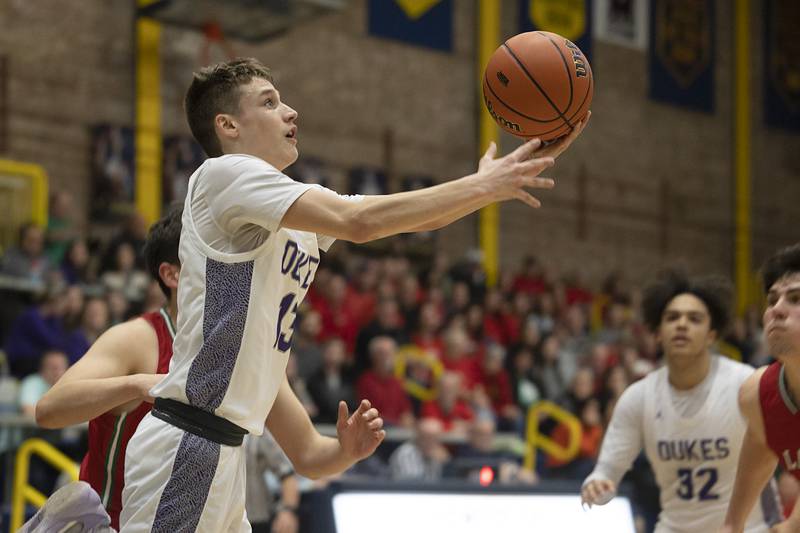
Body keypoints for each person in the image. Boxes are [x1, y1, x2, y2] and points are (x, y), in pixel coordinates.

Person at [121, 57, 587, 532]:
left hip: (223, 457)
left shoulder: (289, 228)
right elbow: (361, 223)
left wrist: (345, 451)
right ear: (228, 126)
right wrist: (482, 184)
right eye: (269, 102)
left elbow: (307, 455)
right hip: (186, 445)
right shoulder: (224, 174)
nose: (290, 112)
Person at [581, 271, 780, 532]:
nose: (682, 324)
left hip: (750, 528)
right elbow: (606, 472)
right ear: (657, 333)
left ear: (711, 334)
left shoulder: (745, 384)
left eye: (694, 318)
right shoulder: (639, 397)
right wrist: (597, 485)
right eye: (672, 317)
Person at [35, 207, 182, 530]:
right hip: (115, 524)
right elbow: (49, 409)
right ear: (172, 275)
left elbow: (307, 453)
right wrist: (136, 385)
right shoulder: (137, 338)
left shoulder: (230, 347)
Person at [721, 244, 800, 533]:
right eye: (772, 299)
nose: (777, 309)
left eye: (796, 298)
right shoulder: (757, 395)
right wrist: (732, 524)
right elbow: (762, 439)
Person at [244, 430, 301, 533]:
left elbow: (287, 473)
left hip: (256, 518)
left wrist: (288, 511)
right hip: (218, 514)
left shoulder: (258, 432)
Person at [18, 349, 68, 418]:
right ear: (43, 369)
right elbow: (28, 411)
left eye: (61, 368)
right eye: (53, 368)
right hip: (33, 427)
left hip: (66, 427)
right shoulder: (32, 382)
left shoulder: (70, 384)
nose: (57, 373)